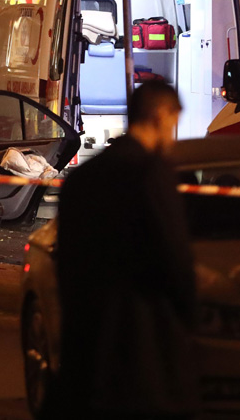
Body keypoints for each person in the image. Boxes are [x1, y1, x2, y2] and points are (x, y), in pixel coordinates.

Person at [56, 81, 198, 419]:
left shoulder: (82, 179)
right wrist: (189, 314)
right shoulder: (152, 174)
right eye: (173, 122)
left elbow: (67, 264)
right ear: (161, 115)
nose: (172, 133)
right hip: (142, 343)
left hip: (88, 342)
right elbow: (175, 256)